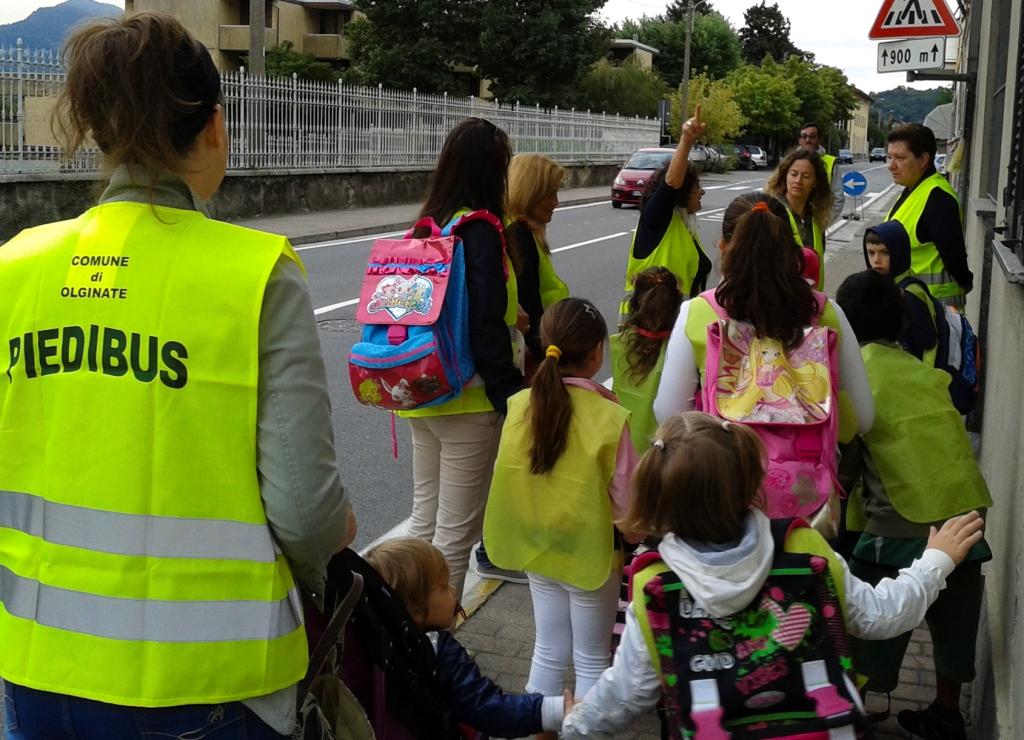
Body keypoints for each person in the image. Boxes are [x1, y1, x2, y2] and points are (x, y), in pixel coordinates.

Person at [0, 13, 354, 739]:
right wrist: (331, 543)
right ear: (215, 126)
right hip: (211, 686)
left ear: (99, 130)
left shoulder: (16, 265)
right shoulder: (256, 274)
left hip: (35, 672)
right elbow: (305, 511)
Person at [560, 412, 985, 737]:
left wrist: (574, 724)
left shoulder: (653, 586)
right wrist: (936, 561)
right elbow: (880, 616)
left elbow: (627, 694)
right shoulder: (802, 548)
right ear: (750, 483)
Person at [835, 270, 992, 740]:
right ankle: (945, 713)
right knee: (955, 623)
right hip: (966, 512)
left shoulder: (854, 380)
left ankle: (854, 711)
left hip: (903, 518)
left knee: (865, 626)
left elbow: (845, 469)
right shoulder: (926, 373)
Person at [483, 298, 640, 701]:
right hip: (590, 555)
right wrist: (638, 536)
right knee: (591, 658)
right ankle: (586, 726)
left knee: (548, 649)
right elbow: (629, 505)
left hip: (536, 546)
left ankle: (539, 724)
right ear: (597, 353)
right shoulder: (609, 418)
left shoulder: (520, 405)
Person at [399, 117, 524, 596]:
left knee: (423, 521)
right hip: (467, 399)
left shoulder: (425, 226)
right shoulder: (481, 230)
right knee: (455, 535)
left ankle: (405, 623)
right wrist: (509, 394)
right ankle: (437, 632)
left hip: (421, 389)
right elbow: (485, 321)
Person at [653, 191, 873, 456]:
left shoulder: (697, 313)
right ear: (793, 250)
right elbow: (863, 419)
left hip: (726, 473)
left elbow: (668, 413)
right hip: (808, 476)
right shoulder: (826, 313)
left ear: (723, 247)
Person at [365, 538, 570, 738]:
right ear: (415, 609)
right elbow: (487, 709)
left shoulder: (375, 648)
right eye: (444, 586)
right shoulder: (438, 651)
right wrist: (553, 710)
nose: (453, 590)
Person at [619, 107, 712, 326]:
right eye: (698, 186)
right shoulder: (657, 220)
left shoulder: (684, 226)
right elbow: (670, 184)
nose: (702, 192)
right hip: (647, 328)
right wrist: (686, 140)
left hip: (674, 326)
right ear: (683, 191)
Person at [885, 123, 972, 309]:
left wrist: (965, 283)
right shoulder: (913, 190)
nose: (891, 166)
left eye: (900, 158)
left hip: (935, 306)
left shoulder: (937, 197)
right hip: (912, 301)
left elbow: (954, 255)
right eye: (889, 157)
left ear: (924, 159)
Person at [506, 153, 570, 365]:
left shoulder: (521, 230)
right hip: (531, 355)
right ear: (530, 193)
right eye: (549, 194)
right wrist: (551, 364)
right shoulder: (519, 234)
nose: (555, 202)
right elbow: (531, 307)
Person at [611, 266, 684, 453]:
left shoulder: (617, 343)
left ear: (635, 304)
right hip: (663, 450)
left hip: (621, 444)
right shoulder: (680, 351)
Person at [863, 220, 940, 364]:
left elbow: (928, 339)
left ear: (898, 253)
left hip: (915, 368)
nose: (876, 260)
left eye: (885, 253)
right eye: (871, 253)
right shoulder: (886, 285)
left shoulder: (909, 293)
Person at [766, 149, 834, 289]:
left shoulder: (816, 219)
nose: (798, 180)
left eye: (806, 176)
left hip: (810, 297)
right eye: (793, 174)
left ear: (815, 182)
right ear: (785, 176)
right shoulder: (771, 213)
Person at [798, 121, 844, 224]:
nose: (808, 140)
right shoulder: (790, 160)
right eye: (804, 136)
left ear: (819, 140)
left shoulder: (831, 163)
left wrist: (823, 222)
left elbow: (838, 198)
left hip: (816, 225)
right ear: (799, 140)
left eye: (812, 136)